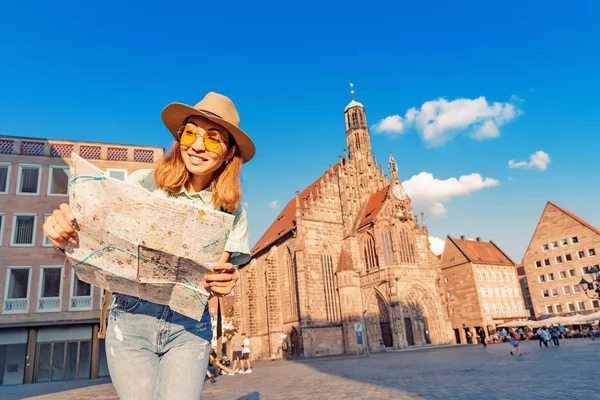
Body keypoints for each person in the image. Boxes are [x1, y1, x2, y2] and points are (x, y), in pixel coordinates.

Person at [42, 92, 255, 400]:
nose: (197, 146)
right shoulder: (144, 182)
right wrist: (62, 232)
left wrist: (225, 280)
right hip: (129, 319)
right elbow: (95, 232)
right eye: (190, 133)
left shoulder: (233, 211)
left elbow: (212, 275)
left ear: (228, 152)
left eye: (211, 139)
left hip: (187, 327)